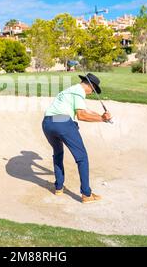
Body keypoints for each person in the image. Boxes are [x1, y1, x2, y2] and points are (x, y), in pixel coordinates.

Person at [42, 73, 112, 203]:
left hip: (47, 122)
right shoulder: (79, 92)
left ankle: (58, 187)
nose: (91, 93)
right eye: (93, 90)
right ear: (90, 86)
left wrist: (102, 117)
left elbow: (86, 111)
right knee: (82, 158)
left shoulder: (69, 90)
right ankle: (86, 194)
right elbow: (82, 115)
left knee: (58, 153)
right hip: (62, 122)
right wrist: (102, 119)